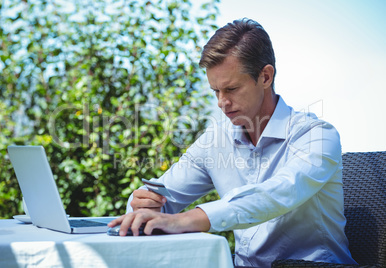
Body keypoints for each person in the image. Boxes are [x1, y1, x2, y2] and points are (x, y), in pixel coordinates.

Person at [108, 18, 357, 267]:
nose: (221, 102)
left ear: (266, 77)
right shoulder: (215, 142)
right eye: (215, 91)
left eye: (232, 89)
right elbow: (165, 195)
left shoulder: (317, 137)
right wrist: (145, 204)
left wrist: (187, 220)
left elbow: (277, 193)